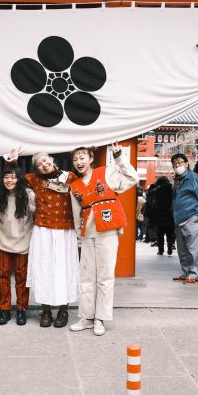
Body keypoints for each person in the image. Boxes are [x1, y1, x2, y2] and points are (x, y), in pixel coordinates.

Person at [69, 142, 138, 336]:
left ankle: (100, 318)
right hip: (87, 233)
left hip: (107, 230)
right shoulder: (74, 187)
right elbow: (76, 214)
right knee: (85, 277)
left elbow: (132, 178)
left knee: (105, 277)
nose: (79, 162)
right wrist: (79, 236)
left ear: (91, 158)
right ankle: (86, 316)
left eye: (82, 157)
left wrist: (119, 158)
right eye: (75, 159)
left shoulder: (105, 172)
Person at [4, 147, 78, 328]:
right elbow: (13, 178)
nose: (44, 165)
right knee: (44, 268)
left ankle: (63, 310)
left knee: (64, 269)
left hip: (65, 230)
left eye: (45, 161)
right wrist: (12, 161)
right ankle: (46, 310)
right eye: (39, 164)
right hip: (43, 229)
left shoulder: (70, 177)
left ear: (52, 159)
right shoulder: (33, 179)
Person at [0, 167, 36, 326]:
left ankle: (21, 309)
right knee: (2, 276)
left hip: (23, 241)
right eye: (6, 177)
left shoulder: (29, 195)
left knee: (21, 277)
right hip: (2, 240)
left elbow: (36, 216)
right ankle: (4, 309)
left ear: (19, 179)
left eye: (13, 177)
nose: (9, 180)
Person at [170, 154, 198, 284]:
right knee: (182, 249)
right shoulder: (177, 179)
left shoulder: (194, 177)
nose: (177, 165)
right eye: (174, 163)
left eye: (180, 162)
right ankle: (186, 272)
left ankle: (194, 274)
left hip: (193, 215)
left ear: (187, 164)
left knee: (194, 248)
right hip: (179, 218)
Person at [148, 176, 175, 256]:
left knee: (160, 234)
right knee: (169, 234)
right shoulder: (171, 190)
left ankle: (161, 250)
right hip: (169, 215)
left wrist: (153, 186)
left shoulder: (158, 189)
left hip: (159, 215)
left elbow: (149, 193)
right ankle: (170, 248)